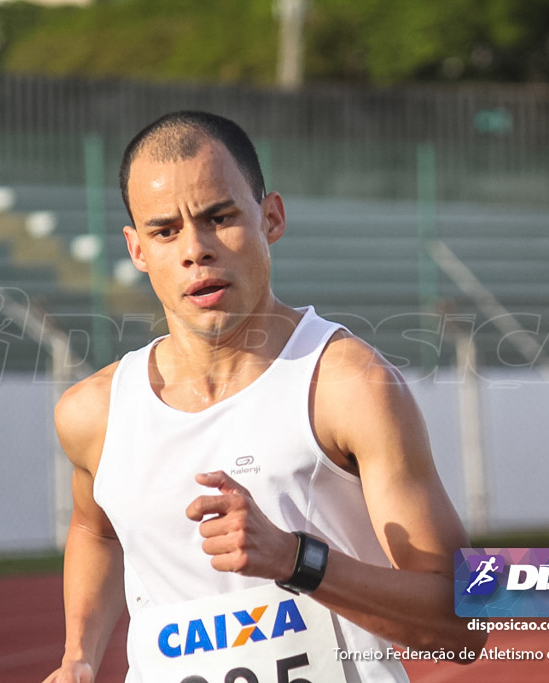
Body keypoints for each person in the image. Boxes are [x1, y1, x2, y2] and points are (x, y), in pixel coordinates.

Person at [43, 111, 485, 683]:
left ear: (270, 217)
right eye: (164, 231)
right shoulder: (93, 413)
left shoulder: (347, 386)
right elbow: (94, 530)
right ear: (136, 249)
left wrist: (297, 561)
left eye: (219, 217)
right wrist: (78, 653)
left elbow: (464, 624)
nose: (195, 250)